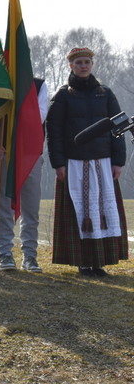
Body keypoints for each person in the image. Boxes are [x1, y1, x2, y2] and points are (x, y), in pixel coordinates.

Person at [46, 47, 128, 277]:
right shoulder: (63, 96)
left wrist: (118, 161)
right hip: (74, 163)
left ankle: (100, 261)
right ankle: (82, 261)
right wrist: (58, 163)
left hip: (103, 163)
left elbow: (119, 128)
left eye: (86, 62)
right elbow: (54, 131)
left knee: (101, 210)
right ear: (71, 65)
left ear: (92, 65)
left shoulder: (105, 93)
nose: (83, 66)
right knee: (80, 211)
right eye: (78, 62)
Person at [0, 78, 49, 272]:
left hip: (30, 155)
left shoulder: (39, 86)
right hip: (2, 153)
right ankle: (4, 252)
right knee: (3, 207)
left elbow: (39, 116)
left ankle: (30, 255)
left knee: (31, 208)